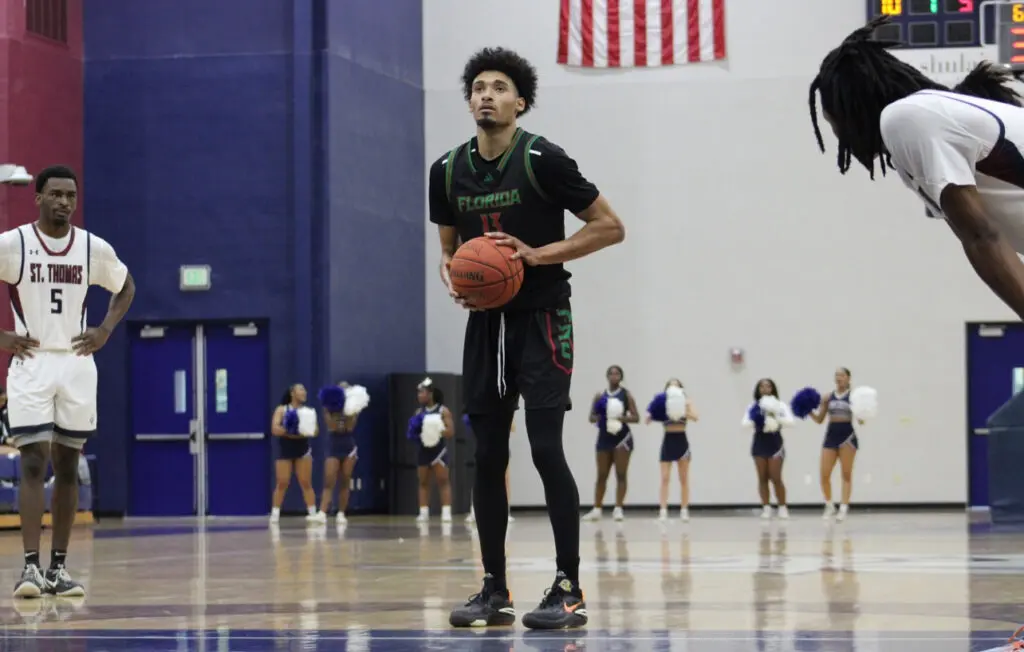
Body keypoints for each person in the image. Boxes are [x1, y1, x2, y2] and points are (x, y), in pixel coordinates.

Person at [429, 47, 625, 630]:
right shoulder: (446, 170)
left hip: (541, 316)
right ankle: (495, 590)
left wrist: (539, 255)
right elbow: (447, 249)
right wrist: (452, 274)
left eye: (498, 87)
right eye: (478, 87)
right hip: (485, 323)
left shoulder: (543, 158)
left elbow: (610, 226)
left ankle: (569, 588)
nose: (486, 95)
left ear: (521, 102)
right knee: (487, 456)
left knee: (543, 448)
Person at [809, 17, 1024, 320]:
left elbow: (982, 237)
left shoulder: (905, 119)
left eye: (832, 122)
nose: (837, 137)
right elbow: (978, 237)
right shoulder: (922, 127)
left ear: (851, 109)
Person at [0, 166, 135, 598]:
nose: (64, 202)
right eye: (55, 194)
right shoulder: (14, 244)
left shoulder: (93, 248)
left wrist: (105, 329)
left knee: (68, 463)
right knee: (33, 461)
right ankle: (29, 570)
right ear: (37, 197)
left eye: (71, 195)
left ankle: (58, 570)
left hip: (77, 361)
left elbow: (126, 285)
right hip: (32, 362)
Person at [582, 365, 639, 522]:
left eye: (617, 373)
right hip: (604, 438)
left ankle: (618, 508)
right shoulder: (600, 396)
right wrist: (604, 417)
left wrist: (619, 417)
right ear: (607, 376)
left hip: (622, 439)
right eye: (612, 373)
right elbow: (591, 417)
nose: (614, 376)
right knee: (601, 475)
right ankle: (597, 508)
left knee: (621, 474)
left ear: (621, 377)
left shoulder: (626, 395)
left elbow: (636, 417)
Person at [809, 368, 862, 522]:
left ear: (848, 378)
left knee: (846, 474)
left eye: (842, 375)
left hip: (847, 436)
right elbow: (820, 419)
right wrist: (808, 411)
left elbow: (861, 420)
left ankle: (844, 508)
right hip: (831, 435)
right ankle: (829, 505)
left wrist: (862, 411)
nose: (839, 378)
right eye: (837, 375)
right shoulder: (828, 397)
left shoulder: (853, 397)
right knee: (824, 474)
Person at [269, 384, 324, 525]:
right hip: (286, 449)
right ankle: (275, 514)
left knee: (306, 482)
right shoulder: (282, 409)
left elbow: (315, 431)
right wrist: (290, 430)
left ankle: (312, 513)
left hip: (303, 449)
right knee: (282, 482)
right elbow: (275, 428)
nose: (304, 392)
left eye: (305, 390)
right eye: (301, 390)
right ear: (292, 393)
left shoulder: (309, 411)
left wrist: (304, 430)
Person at [645, 378, 699, 522]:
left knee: (683, 478)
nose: (673, 387)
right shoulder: (663, 402)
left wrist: (683, 409)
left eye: (676, 385)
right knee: (664, 478)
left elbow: (696, 417)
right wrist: (651, 414)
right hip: (668, 439)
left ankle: (684, 509)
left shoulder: (686, 401)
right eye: (670, 385)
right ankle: (663, 510)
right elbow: (650, 415)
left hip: (681, 440)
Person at [741, 378, 794, 520]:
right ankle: (766, 507)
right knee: (762, 477)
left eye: (768, 386)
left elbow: (791, 422)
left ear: (773, 389)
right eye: (762, 387)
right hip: (759, 441)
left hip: (775, 442)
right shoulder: (753, 406)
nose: (765, 389)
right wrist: (757, 419)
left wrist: (776, 416)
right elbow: (744, 423)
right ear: (758, 390)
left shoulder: (780, 405)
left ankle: (782, 507)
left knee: (776, 477)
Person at [410, 379, 454, 524]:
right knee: (423, 482)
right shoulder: (419, 412)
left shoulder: (443, 411)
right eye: (418, 392)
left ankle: (446, 512)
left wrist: (437, 428)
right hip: (424, 450)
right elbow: (413, 433)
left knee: (443, 481)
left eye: (422, 392)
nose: (419, 395)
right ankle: (423, 512)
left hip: (439, 451)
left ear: (430, 394)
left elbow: (450, 432)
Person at [318, 382, 359, 525]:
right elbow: (333, 427)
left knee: (345, 479)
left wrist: (350, 412)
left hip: (348, 443)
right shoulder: (328, 407)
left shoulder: (353, 408)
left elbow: (349, 427)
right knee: (329, 479)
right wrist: (332, 411)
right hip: (334, 442)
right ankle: (322, 512)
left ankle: (341, 513)